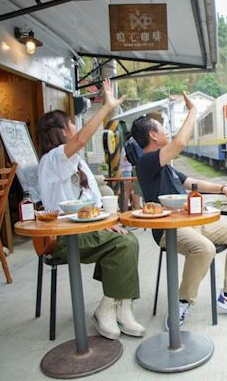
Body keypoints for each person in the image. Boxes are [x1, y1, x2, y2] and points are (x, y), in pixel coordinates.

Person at [131, 92, 227, 327]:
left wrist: (222, 188)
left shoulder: (166, 166)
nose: (167, 132)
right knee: (205, 249)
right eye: (162, 128)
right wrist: (193, 111)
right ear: (153, 134)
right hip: (169, 229)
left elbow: (193, 184)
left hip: (193, 222)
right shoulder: (147, 163)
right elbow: (179, 143)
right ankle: (183, 301)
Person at [37, 79, 145, 340]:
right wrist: (106, 107)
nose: (76, 128)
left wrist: (108, 222)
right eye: (71, 123)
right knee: (125, 245)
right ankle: (109, 307)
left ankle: (120, 307)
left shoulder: (74, 162)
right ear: (60, 131)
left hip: (86, 231)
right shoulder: (53, 159)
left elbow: (93, 204)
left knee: (125, 239)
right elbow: (83, 139)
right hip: (65, 237)